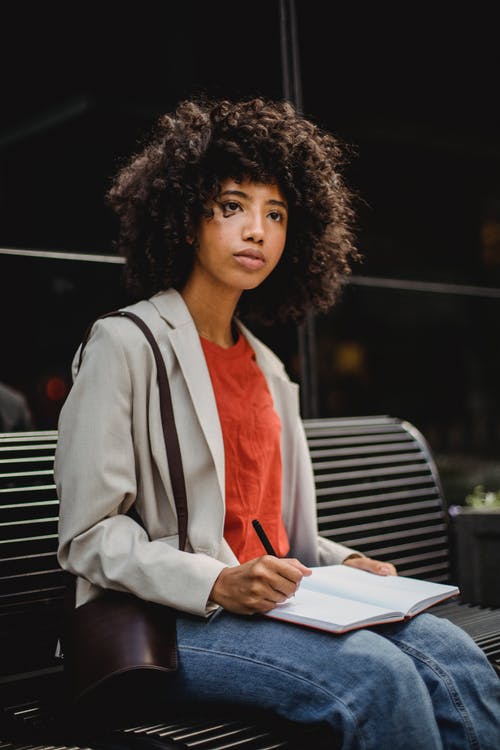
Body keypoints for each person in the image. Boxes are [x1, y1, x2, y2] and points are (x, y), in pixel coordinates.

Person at [55, 96, 500, 749]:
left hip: (280, 605)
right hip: (173, 621)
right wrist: (218, 580)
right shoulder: (125, 345)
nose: (257, 230)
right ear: (184, 219)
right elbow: (88, 535)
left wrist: (345, 562)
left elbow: (271, 532)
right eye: (232, 207)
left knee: (455, 656)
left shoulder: (267, 367)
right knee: (379, 679)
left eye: (276, 214)